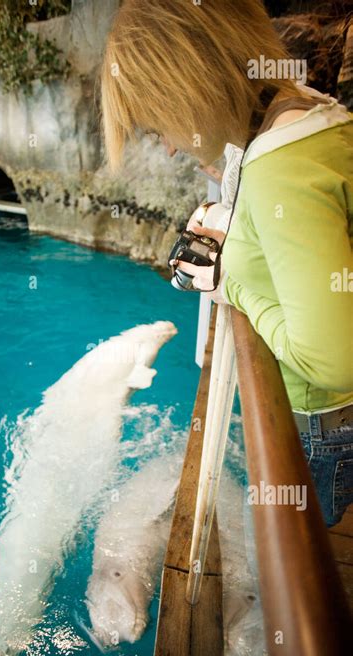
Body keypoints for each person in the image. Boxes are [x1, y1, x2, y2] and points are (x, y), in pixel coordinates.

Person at [100, 0, 353, 527]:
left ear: (191, 87)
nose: (169, 149)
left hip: (324, 426)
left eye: (159, 126)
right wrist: (231, 221)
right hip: (332, 420)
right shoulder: (300, 113)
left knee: (294, 551)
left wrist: (230, 285)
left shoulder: (278, 167)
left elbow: (332, 361)